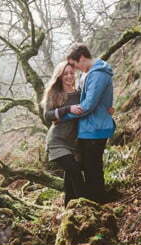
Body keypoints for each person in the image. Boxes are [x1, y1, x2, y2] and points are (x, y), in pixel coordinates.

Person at [59, 43, 116, 202]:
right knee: (85, 167)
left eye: (75, 65)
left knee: (92, 169)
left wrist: (63, 116)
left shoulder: (98, 74)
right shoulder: (90, 73)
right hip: (89, 128)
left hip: (95, 128)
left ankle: (99, 202)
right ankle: (91, 200)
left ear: (82, 58)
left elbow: (88, 105)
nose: (75, 69)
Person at [41, 61, 89, 205]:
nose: (69, 76)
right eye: (65, 73)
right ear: (60, 76)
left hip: (72, 143)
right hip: (56, 142)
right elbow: (47, 115)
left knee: (70, 175)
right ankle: (86, 207)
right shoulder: (55, 94)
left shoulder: (79, 94)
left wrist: (107, 109)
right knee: (75, 172)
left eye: (71, 73)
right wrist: (67, 109)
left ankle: (69, 207)